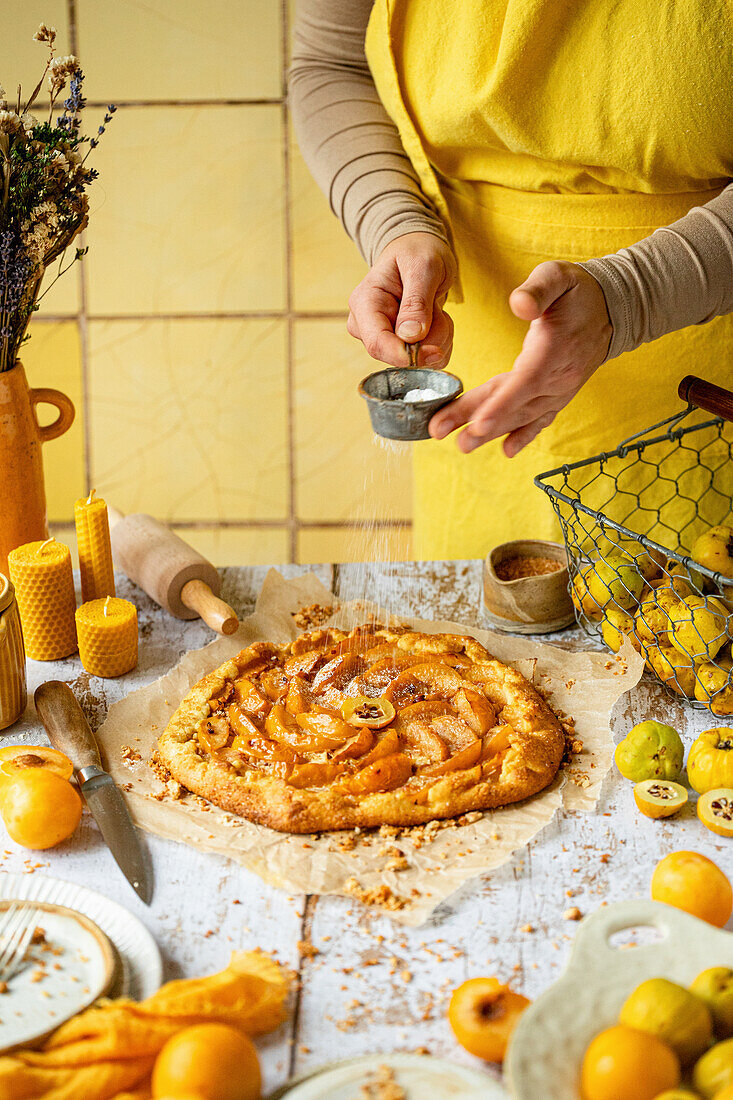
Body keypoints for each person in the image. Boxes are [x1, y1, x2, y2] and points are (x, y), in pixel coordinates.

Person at [289, 0, 733, 559]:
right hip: (480, 339)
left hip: (705, 318)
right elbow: (332, 64)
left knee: (689, 618)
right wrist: (395, 222)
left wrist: (634, 294)